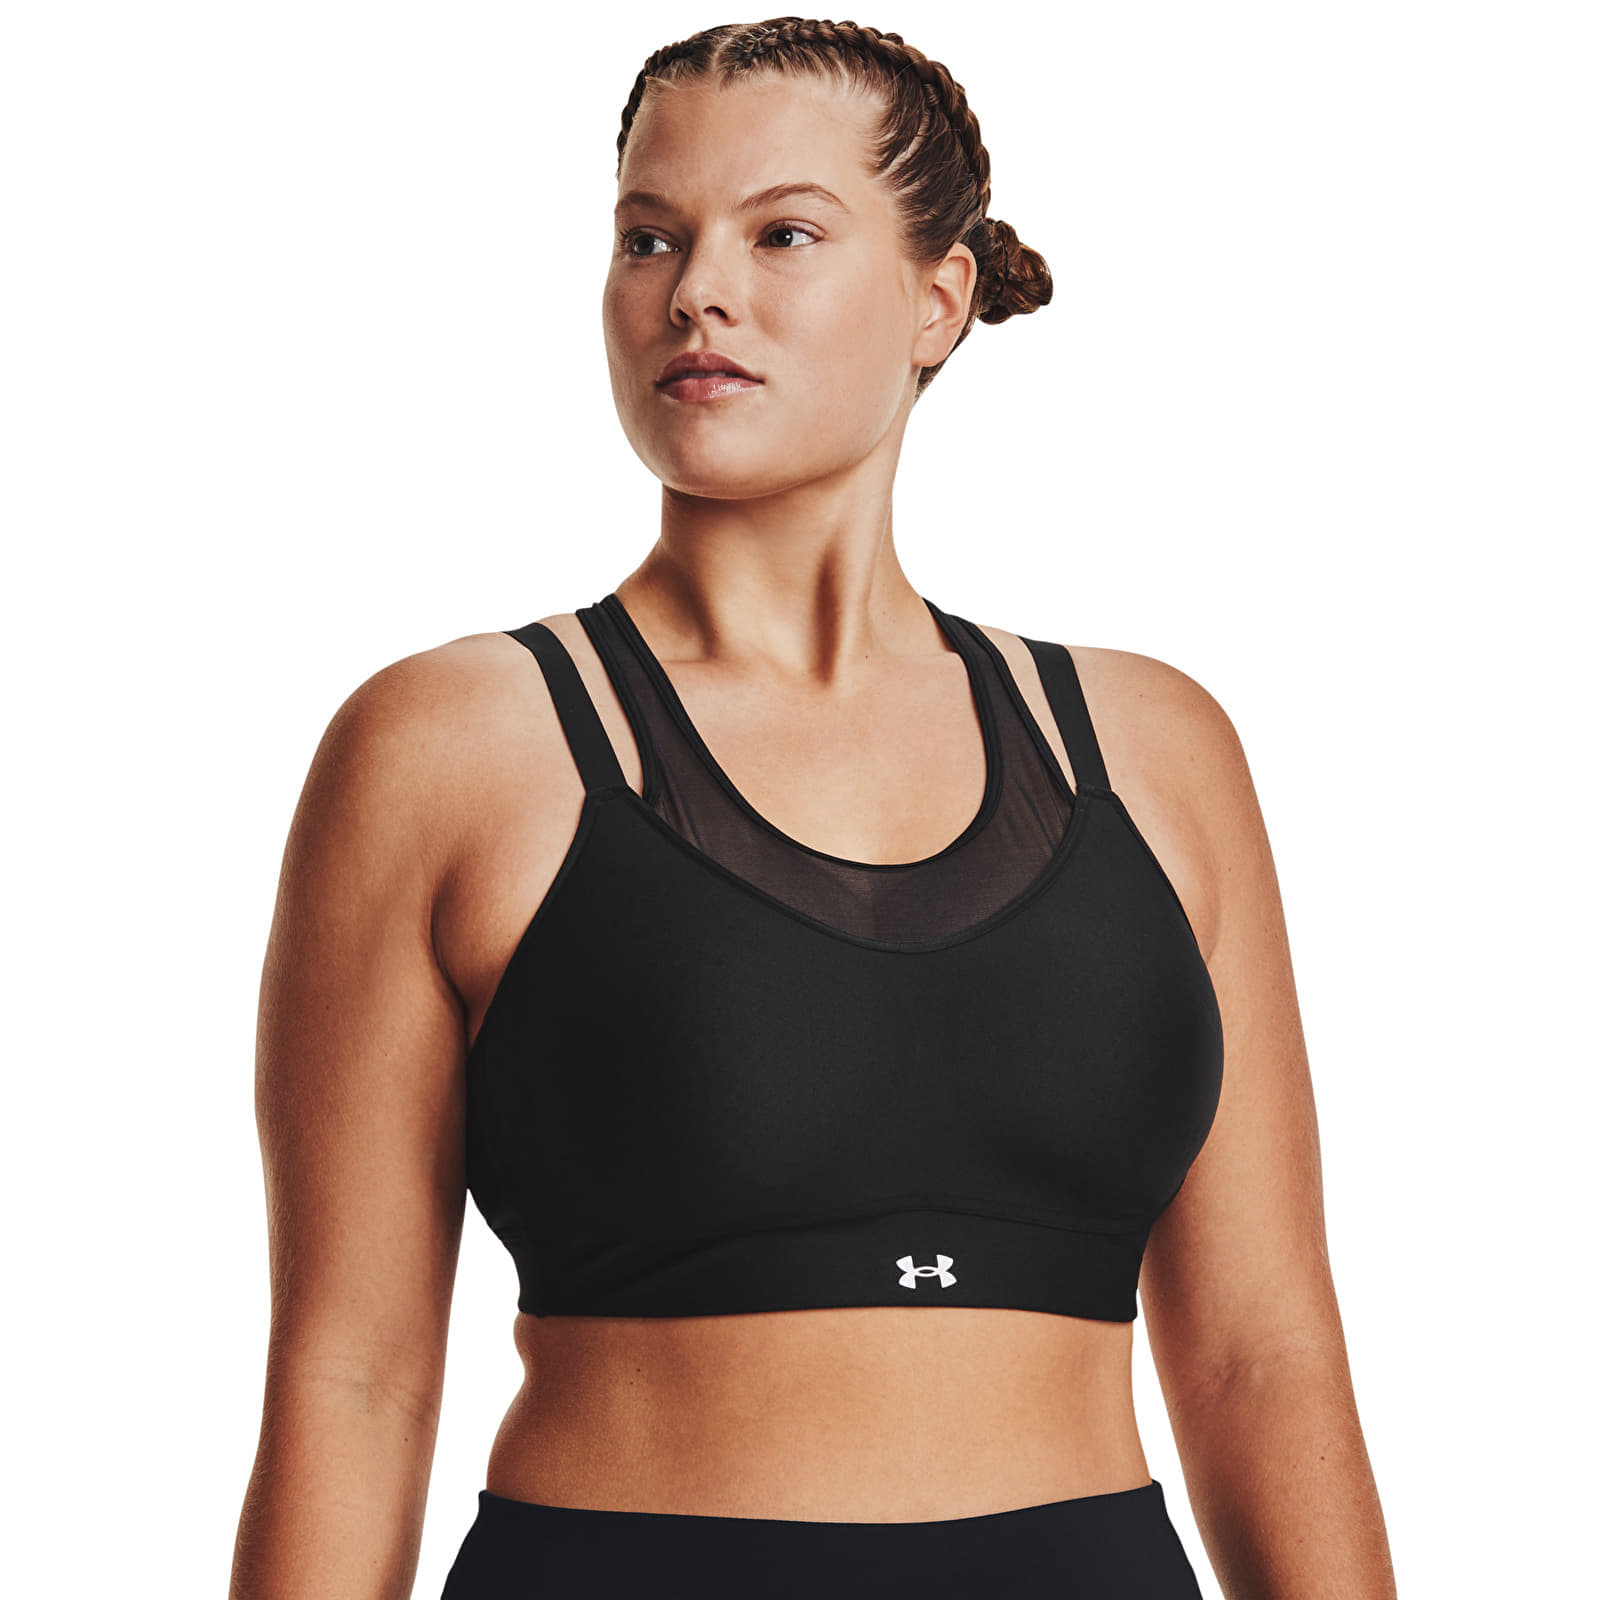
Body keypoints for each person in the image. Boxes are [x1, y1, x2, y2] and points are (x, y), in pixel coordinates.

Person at [230, 18, 1396, 1600]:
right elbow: (352, 1378)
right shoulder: (450, 750)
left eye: (782, 234)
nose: (695, 291)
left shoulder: (1153, 753)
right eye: (651, 237)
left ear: (938, 300)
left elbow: (1266, 1358)